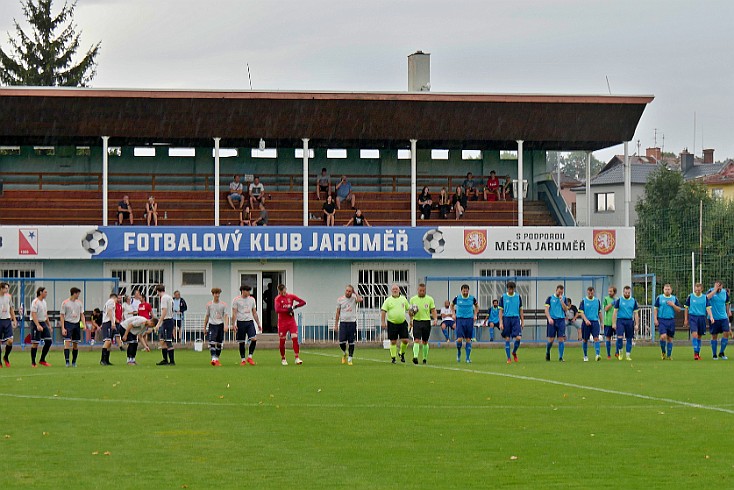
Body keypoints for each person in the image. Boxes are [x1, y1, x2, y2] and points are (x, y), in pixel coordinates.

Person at [274, 284, 306, 365]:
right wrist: (287, 310)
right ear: (279, 291)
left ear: (286, 289)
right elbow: (277, 310)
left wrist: (294, 307)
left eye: (284, 291)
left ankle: (297, 357)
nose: (283, 293)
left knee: (295, 338)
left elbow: (303, 302)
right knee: (282, 341)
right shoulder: (278, 299)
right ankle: (283, 358)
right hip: (282, 322)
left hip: (291, 321)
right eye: (281, 292)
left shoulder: (291, 296)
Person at [232, 285, 261, 366]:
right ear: (243, 291)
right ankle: (243, 359)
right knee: (241, 342)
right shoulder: (236, 300)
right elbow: (234, 313)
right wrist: (233, 324)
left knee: (254, 339)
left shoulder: (252, 300)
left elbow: (254, 312)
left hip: (249, 322)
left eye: (249, 291)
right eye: (247, 291)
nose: (249, 292)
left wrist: (258, 323)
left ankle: (250, 357)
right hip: (240, 322)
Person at [380, 284, 410, 364]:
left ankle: (401, 353)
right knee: (393, 341)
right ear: (391, 291)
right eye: (393, 289)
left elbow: (409, 309)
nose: (395, 290)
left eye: (396, 289)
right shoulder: (388, 300)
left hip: (402, 322)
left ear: (399, 290)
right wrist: (383, 322)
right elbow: (383, 311)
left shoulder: (403, 299)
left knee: (405, 340)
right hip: (392, 323)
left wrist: (412, 319)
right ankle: (393, 357)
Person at [684, 283, 714, 360]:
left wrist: (711, 317)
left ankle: (697, 354)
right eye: (696, 289)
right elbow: (686, 308)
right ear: (694, 289)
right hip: (693, 317)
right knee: (695, 335)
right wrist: (686, 319)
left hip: (702, 318)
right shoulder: (690, 296)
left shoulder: (704, 297)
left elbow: (708, 308)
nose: (697, 290)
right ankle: (696, 353)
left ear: (702, 289)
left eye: (699, 289)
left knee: (699, 336)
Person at [335, 284, 363, 365]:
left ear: (352, 292)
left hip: (352, 322)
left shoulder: (354, 299)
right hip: (343, 322)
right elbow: (337, 312)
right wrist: (336, 324)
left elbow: (360, 299)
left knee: (351, 342)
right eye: (347, 291)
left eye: (350, 291)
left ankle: (350, 358)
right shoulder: (340, 299)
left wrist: (355, 293)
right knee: (341, 342)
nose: (348, 292)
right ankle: (344, 353)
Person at [653, 284, 683, 360]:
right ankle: (663, 352)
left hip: (671, 320)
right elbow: (655, 309)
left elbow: (679, 309)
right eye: (666, 289)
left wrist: (673, 305)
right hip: (662, 320)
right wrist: (655, 319)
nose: (667, 290)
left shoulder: (674, 298)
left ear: (671, 290)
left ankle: (669, 355)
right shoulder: (659, 298)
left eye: (668, 289)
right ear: (663, 290)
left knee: (670, 338)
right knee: (663, 337)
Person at [409, 283, 437, 365]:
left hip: (426, 322)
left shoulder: (430, 299)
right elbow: (410, 312)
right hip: (416, 321)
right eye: (420, 290)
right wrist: (411, 318)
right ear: (418, 290)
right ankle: (415, 357)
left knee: (425, 341)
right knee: (416, 340)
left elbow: (433, 310)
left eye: (423, 291)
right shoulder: (413, 299)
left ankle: (424, 358)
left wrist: (435, 319)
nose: (422, 292)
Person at [452, 284, 478, 363]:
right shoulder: (457, 298)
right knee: (459, 339)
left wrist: (475, 315)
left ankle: (467, 357)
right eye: (464, 291)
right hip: (460, 319)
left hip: (469, 319)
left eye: (467, 291)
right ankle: (459, 352)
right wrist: (453, 314)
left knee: (468, 339)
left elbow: (477, 306)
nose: (465, 292)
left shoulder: (472, 298)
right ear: (461, 291)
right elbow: (451, 305)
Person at [60, 287, 85, 367]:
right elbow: (62, 315)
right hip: (68, 324)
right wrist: (63, 327)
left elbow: (82, 315)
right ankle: (67, 362)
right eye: (78, 294)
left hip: (76, 324)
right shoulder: (65, 303)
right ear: (74, 293)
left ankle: (74, 362)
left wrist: (84, 325)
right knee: (67, 342)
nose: (78, 295)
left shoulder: (79, 303)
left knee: (75, 344)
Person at [612, 285, 639, 361]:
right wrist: (614, 323)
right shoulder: (619, 300)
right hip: (620, 320)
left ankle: (628, 355)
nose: (627, 294)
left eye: (628, 292)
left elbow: (636, 313)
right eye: (626, 292)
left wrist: (637, 324)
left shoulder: (633, 301)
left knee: (629, 338)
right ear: (623, 292)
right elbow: (615, 312)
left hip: (629, 321)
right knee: (619, 337)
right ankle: (620, 352)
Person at [499, 281, 524, 363]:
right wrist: (501, 322)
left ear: (514, 289)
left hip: (516, 318)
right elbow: (500, 311)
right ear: (507, 288)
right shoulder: (503, 297)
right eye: (509, 289)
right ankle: (508, 358)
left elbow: (521, 310)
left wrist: (522, 321)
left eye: (512, 289)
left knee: (518, 338)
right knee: (507, 338)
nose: (511, 290)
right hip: (506, 319)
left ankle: (514, 352)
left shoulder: (518, 297)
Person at [204, 288, 229, 366]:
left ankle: (216, 359)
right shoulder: (209, 305)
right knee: (212, 341)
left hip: (220, 325)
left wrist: (226, 325)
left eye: (218, 293)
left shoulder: (223, 304)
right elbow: (207, 316)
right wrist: (204, 327)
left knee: (219, 343)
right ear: (213, 294)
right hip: (212, 325)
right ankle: (213, 358)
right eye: (215, 293)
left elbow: (226, 315)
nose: (217, 295)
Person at [707, 280, 731, 360]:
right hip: (714, 318)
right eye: (717, 285)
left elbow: (727, 303)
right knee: (714, 336)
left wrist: (728, 312)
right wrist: (715, 290)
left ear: (722, 286)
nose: (718, 287)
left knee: (726, 333)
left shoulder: (724, 293)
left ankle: (721, 352)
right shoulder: (711, 291)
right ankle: (714, 354)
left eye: (719, 286)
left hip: (723, 317)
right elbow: (707, 298)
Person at [544, 284, 568, 362]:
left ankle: (560, 357)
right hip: (552, 321)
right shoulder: (550, 298)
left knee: (561, 339)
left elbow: (565, 309)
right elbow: (546, 309)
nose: (560, 294)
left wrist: (561, 301)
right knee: (551, 340)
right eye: (559, 292)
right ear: (556, 290)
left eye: (561, 292)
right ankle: (547, 352)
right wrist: (549, 318)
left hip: (561, 320)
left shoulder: (564, 299)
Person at [578, 286, 603, 362]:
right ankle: (585, 356)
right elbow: (581, 312)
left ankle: (597, 355)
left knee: (596, 338)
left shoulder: (597, 301)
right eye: (589, 292)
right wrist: (586, 320)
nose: (590, 293)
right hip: (586, 323)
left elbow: (599, 312)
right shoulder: (583, 301)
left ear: (594, 292)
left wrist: (601, 322)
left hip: (595, 322)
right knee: (585, 339)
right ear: (587, 292)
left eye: (592, 292)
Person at [30, 287, 52, 367]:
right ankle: (33, 362)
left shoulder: (44, 302)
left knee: (49, 341)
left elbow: (45, 314)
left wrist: (49, 325)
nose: (46, 294)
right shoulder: (35, 302)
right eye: (45, 292)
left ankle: (42, 360)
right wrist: (38, 325)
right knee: (35, 343)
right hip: (36, 323)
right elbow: (34, 314)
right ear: (40, 292)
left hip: (43, 323)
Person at [154, 284, 176, 366]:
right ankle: (165, 360)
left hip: (167, 320)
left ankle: (172, 361)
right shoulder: (169, 297)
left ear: (157, 291)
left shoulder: (163, 298)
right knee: (162, 340)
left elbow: (164, 311)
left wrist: (159, 323)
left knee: (168, 341)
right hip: (169, 320)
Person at [0, 282, 17, 368]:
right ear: (1, 288)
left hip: (7, 320)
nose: (7, 290)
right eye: (6, 288)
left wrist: (14, 319)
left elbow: (11, 308)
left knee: (10, 340)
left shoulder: (9, 297)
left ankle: (6, 357)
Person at [99, 292, 118, 366]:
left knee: (109, 342)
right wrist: (113, 322)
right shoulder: (111, 301)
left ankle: (107, 360)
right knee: (107, 341)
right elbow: (110, 311)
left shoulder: (108, 302)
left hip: (107, 322)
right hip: (108, 323)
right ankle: (102, 360)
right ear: (114, 298)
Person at [602, 286, 617, 359]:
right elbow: (605, 309)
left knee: (619, 337)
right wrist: (611, 304)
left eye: (611, 291)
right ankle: (608, 354)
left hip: (616, 322)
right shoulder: (606, 299)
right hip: (608, 322)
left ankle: (617, 352)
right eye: (609, 291)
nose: (609, 293)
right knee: (608, 338)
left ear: (614, 292)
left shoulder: (618, 300)